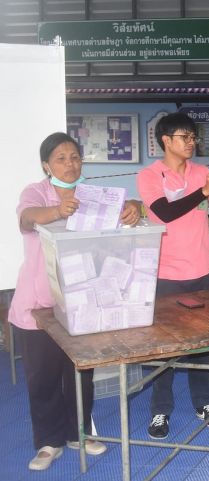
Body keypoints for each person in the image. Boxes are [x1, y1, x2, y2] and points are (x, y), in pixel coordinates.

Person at [9, 132, 141, 470]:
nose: (70, 164)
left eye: (75, 157)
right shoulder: (34, 192)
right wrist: (56, 209)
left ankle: (78, 433)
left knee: (80, 372)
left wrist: (132, 210)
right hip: (39, 302)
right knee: (43, 375)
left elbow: (126, 224)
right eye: (61, 159)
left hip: (83, 298)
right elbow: (26, 219)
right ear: (46, 165)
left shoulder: (92, 194)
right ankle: (48, 442)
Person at [137, 113, 209, 438]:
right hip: (165, 273)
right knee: (165, 346)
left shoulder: (203, 173)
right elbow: (165, 212)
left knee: (202, 344)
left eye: (193, 137)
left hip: (202, 269)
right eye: (184, 137)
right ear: (166, 141)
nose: (191, 142)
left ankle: (204, 403)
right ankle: (160, 410)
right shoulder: (150, 176)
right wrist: (203, 192)